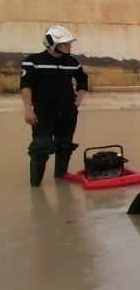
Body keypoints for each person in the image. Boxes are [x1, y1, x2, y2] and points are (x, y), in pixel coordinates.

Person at [21, 25, 88, 186]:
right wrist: (27, 109)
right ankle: (36, 185)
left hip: (67, 113)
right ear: (52, 44)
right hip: (43, 113)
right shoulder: (32, 61)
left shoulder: (72, 62)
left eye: (69, 43)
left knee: (64, 146)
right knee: (40, 148)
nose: (69, 46)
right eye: (65, 43)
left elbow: (83, 81)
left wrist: (78, 100)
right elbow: (26, 85)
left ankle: (61, 180)